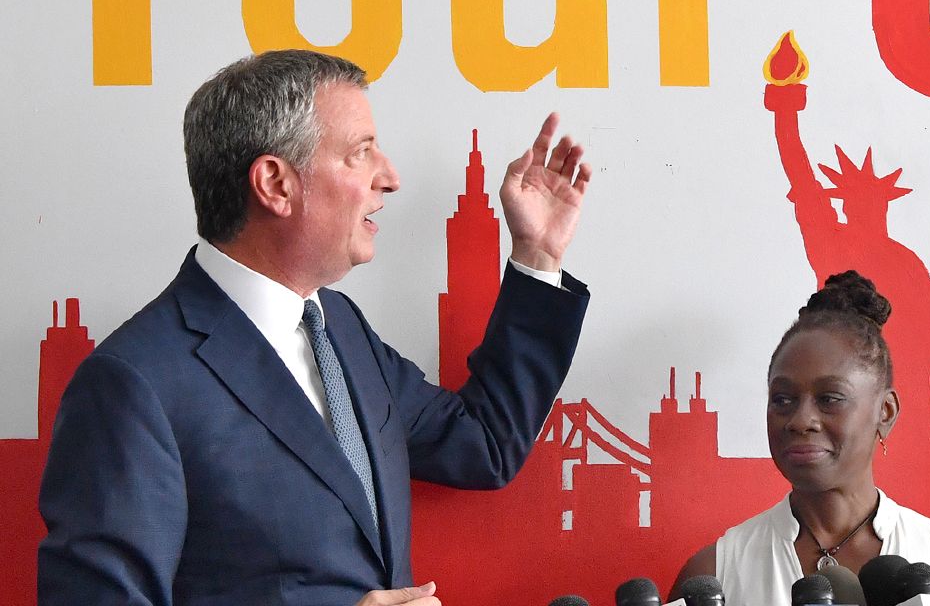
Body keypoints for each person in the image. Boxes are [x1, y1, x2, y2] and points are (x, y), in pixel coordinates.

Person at [38, 49, 593, 606]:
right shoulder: (132, 384)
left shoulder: (341, 328)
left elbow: (483, 443)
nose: (391, 178)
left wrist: (537, 255)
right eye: (361, 153)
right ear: (275, 185)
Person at [675, 272, 930, 606]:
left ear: (885, 412)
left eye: (830, 398)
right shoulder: (713, 575)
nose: (801, 420)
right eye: (783, 399)